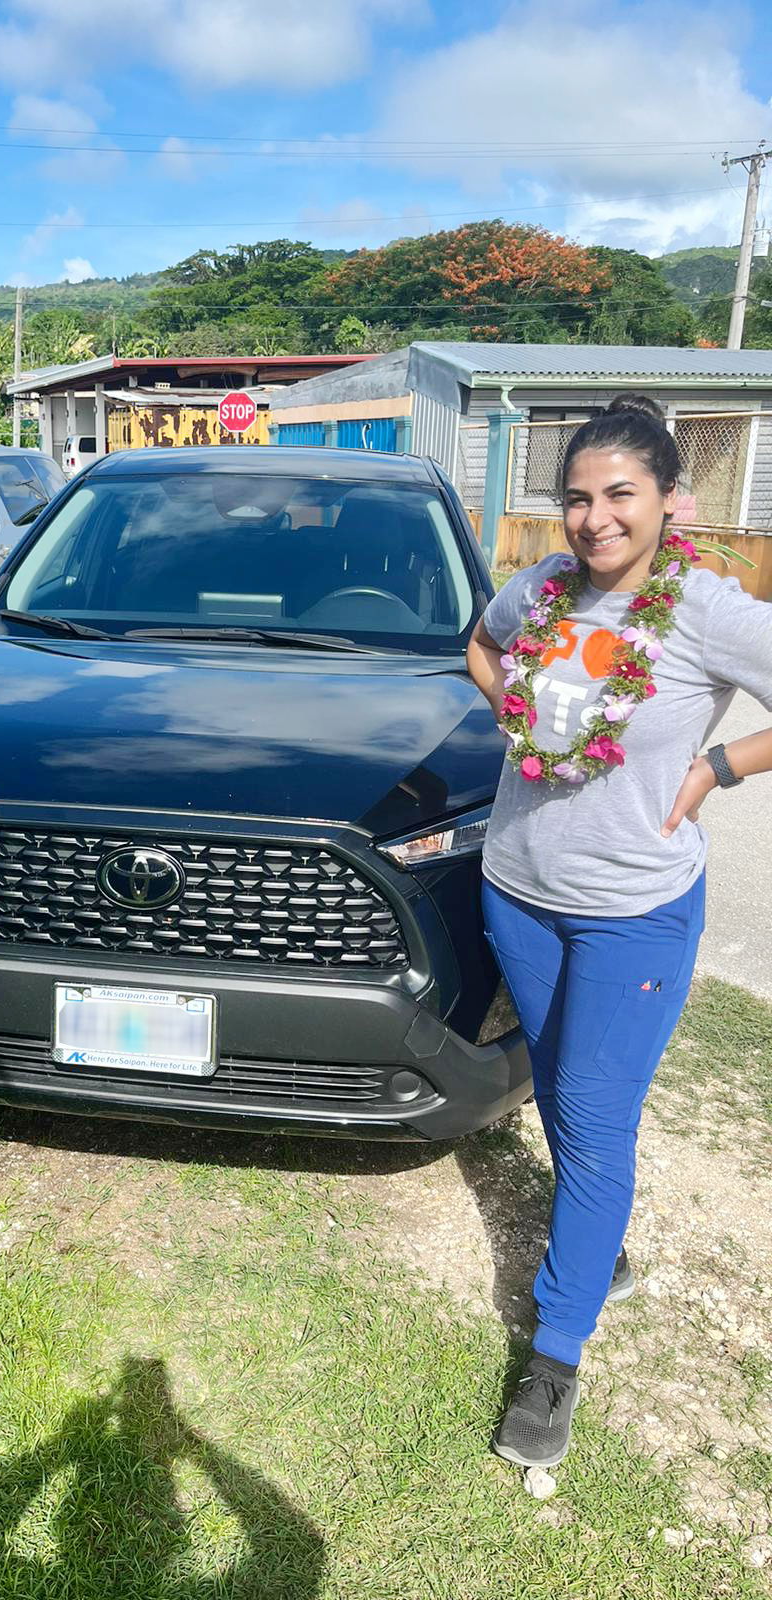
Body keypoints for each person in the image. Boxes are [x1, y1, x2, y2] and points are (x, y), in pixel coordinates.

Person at [466, 393, 772, 1468]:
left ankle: (556, 1351)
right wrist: (515, 711)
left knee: (594, 1113)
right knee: (557, 1087)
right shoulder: (543, 588)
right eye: (578, 499)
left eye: (619, 496)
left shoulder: (706, 608)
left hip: (633, 912)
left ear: (668, 499)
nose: (595, 519)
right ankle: (605, 1254)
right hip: (519, 890)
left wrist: (720, 764)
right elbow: (482, 643)